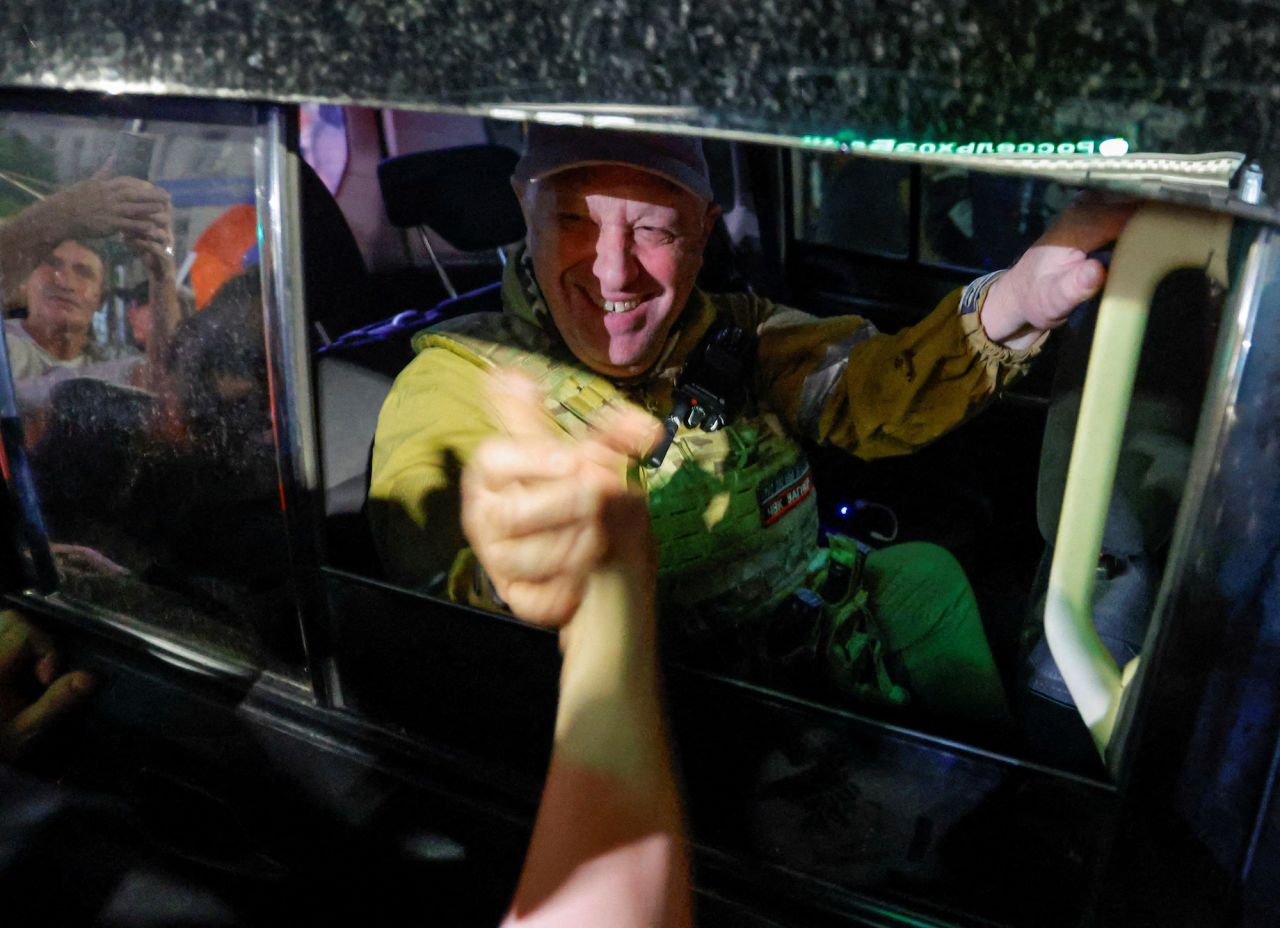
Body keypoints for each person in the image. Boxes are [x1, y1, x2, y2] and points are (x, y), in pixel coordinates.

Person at [368, 126, 1134, 731]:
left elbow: (869, 392)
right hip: (678, 713)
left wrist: (1016, 305)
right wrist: (519, 576)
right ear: (521, 210)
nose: (612, 271)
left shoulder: (738, 333)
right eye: (572, 220)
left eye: (653, 232)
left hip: (809, 639)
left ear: (703, 232)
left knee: (922, 575)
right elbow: (435, 595)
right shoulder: (458, 383)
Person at [0, 170, 177, 411]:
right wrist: (64, 213)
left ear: (100, 299)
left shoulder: (111, 358)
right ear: (23, 281)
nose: (63, 281)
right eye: (51, 264)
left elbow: (169, 383)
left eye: (83, 272)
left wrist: (162, 274)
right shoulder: (5, 346)